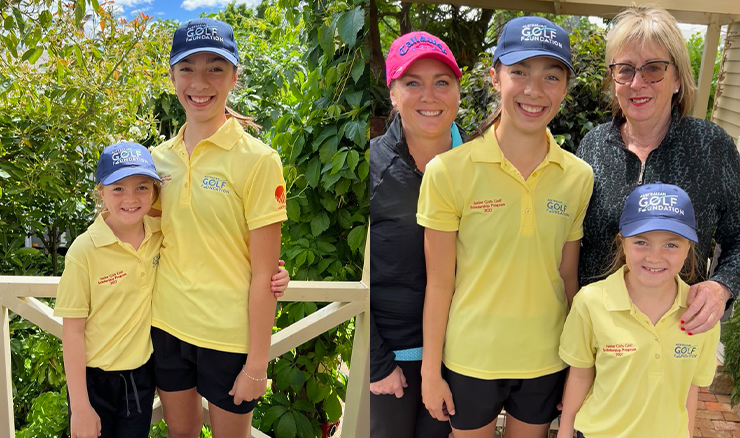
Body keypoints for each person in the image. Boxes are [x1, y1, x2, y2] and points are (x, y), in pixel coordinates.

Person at [417, 16, 594, 438]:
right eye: (519, 72)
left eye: (551, 76)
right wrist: (430, 371)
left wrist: (576, 364)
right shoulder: (447, 172)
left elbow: (567, 277)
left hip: (546, 359)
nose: (535, 90)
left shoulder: (578, 176)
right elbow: (439, 283)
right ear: (495, 77)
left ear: (565, 87)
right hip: (471, 359)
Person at [150, 18, 287, 437]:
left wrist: (257, 365)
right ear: (172, 75)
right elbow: (142, 242)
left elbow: (264, 272)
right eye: (187, 68)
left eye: (215, 67)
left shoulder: (260, 160)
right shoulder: (156, 160)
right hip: (167, 327)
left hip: (229, 339)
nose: (200, 82)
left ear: (234, 76)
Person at [577, 6, 740, 335]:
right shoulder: (593, 146)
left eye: (653, 69)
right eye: (625, 70)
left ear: (678, 77)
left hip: (674, 342)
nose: (637, 83)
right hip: (594, 341)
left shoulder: (711, 147)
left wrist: (721, 287)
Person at [558, 183, 720, 438]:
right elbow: (579, 375)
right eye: (642, 242)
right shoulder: (591, 302)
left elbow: (690, 387)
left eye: (671, 245)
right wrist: (565, 431)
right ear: (622, 242)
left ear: (689, 247)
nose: (655, 257)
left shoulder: (701, 312)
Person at [370, 31, 463, 438]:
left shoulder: (482, 166)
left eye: (441, 82)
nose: (430, 95)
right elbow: (355, 275)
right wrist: (377, 361)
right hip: (394, 364)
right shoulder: (370, 165)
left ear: (458, 90)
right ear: (392, 93)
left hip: (462, 358)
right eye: (413, 83)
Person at [56, 142, 163, 438]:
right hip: (93, 383)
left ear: (154, 192)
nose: (130, 198)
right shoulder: (84, 251)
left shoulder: (160, 233)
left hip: (141, 377)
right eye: (118, 189)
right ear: (100, 192)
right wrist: (80, 406)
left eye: (142, 187)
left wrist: (270, 269)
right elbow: (73, 331)